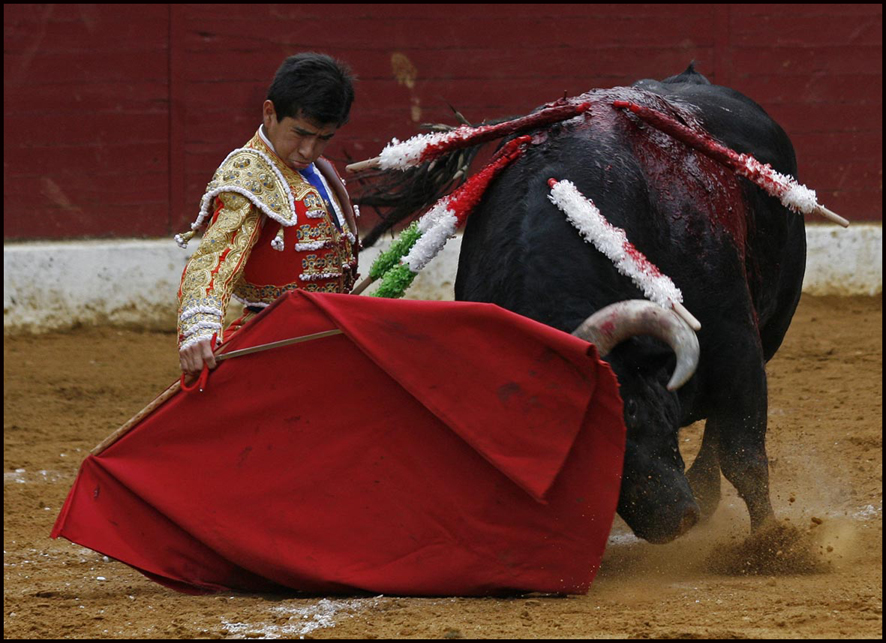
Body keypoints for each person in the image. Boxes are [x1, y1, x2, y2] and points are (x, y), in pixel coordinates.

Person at [174, 52, 359, 381]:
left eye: (323, 138)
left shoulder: (320, 170)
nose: (308, 150)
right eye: (300, 133)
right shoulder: (250, 175)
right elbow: (215, 258)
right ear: (270, 113)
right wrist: (200, 327)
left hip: (329, 337)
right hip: (271, 344)